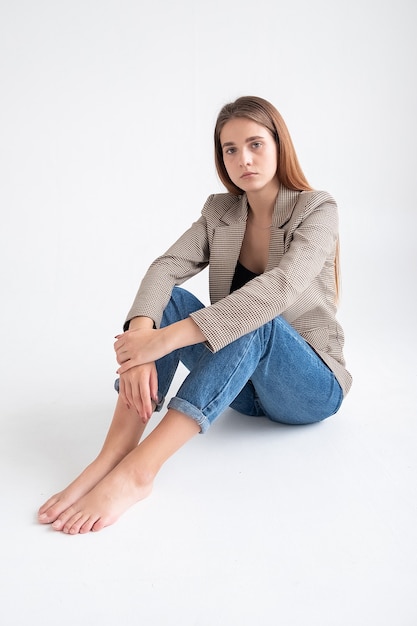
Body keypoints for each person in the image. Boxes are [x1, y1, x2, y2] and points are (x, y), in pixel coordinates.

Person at [38, 95, 352, 534]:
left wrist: (163, 342)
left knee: (256, 318)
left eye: (256, 144)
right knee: (162, 305)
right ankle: (114, 454)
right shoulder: (219, 212)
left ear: (281, 146)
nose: (243, 158)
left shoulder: (318, 208)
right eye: (230, 149)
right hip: (240, 388)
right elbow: (165, 267)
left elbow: (277, 291)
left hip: (310, 387)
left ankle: (139, 472)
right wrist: (140, 344)